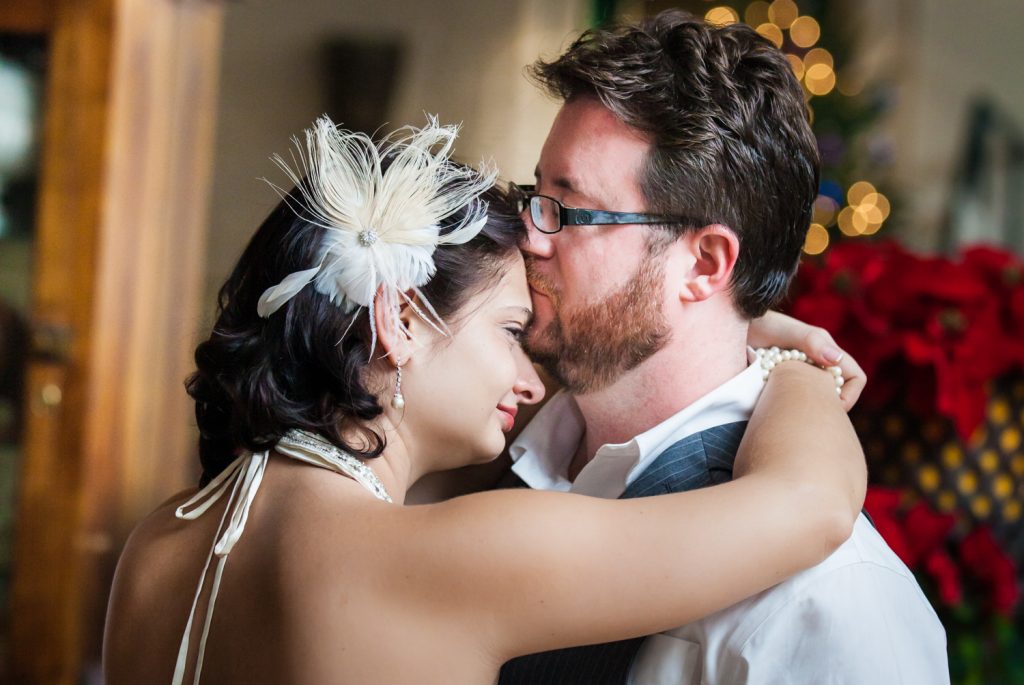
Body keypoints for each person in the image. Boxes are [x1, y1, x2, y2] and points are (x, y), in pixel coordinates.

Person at [103, 118, 866, 684]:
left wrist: (721, 313)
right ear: (398, 318)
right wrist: (789, 364)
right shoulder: (447, 556)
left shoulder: (158, 545)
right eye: (510, 330)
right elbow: (811, 504)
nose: (533, 380)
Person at [497, 10, 949, 685]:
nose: (530, 236)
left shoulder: (828, 602)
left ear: (706, 264)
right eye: (536, 195)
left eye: (569, 209)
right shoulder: (500, 447)